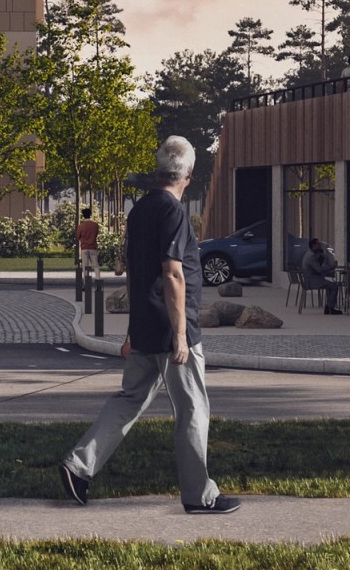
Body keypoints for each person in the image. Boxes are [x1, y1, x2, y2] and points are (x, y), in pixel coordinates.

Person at [59, 136, 240, 515]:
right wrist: (180, 335)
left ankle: (79, 466)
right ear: (187, 174)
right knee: (192, 409)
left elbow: (134, 273)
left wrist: (131, 331)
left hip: (144, 325)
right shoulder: (173, 212)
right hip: (172, 327)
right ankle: (199, 495)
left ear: (159, 170)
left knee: (130, 399)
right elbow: (172, 273)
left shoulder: (139, 210)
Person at [302, 236, 342, 315]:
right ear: (314, 246)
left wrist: (321, 257)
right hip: (313, 281)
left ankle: (329, 306)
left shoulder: (309, 254)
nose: (320, 246)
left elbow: (317, 267)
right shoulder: (311, 256)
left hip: (311, 279)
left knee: (330, 285)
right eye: (318, 244)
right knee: (334, 286)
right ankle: (330, 307)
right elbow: (319, 269)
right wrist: (332, 267)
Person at [76, 206, 101, 279]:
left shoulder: (81, 226)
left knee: (85, 266)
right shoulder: (95, 225)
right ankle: (98, 281)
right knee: (96, 265)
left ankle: (85, 283)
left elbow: (78, 236)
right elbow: (96, 234)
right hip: (93, 247)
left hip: (84, 247)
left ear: (83, 215)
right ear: (90, 215)